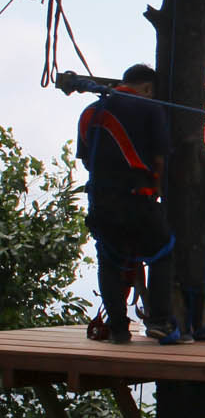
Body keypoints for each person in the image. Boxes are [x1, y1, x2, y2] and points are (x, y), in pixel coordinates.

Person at [77, 63, 173, 345]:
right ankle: (159, 321)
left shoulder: (90, 113)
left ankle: (118, 328)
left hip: (101, 200)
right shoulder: (151, 109)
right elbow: (159, 159)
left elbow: (85, 158)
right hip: (136, 198)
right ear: (147, 88)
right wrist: (155, 189)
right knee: (161, 252)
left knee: (109, 261)